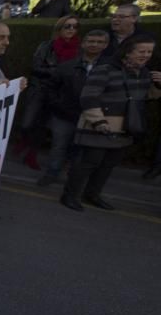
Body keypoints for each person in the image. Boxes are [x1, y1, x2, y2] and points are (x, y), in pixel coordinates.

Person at [60, 35, 161, 211]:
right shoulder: (105, 69)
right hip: (99, 128)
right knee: (87, 164)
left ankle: (92, 195)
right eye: (141, 51)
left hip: (124, 130)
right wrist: (98, 121)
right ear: (128, 52)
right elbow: (89, 96)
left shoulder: (144, 73)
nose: (146, 55)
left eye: (149, 52)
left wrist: (159, 86)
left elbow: (145, 98)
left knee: (107, 165)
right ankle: (69, 195)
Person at [38, 30, 109, 186]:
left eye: (99, 42)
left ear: (105, 45)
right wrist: (58, 106)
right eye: (91, 41)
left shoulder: (110, 69)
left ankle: (73, 178)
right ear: (83, 44)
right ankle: (51, 174)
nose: (94, 45)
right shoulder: (66, 66)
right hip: (63, 116)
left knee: (80, 150)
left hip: (91, 117)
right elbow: (50, 88)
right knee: (59, 146)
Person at [17, 16, 83, 170]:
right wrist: (57, 72)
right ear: (59, 28)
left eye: (75, 26)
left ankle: (31, 155)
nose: (71, 29)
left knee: (45, 128)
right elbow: (36, 67)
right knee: (27, 123)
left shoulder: (80, 49)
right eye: (67, 26)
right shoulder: (47, 46)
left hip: (62, 94)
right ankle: (23, 141)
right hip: (41, 89)